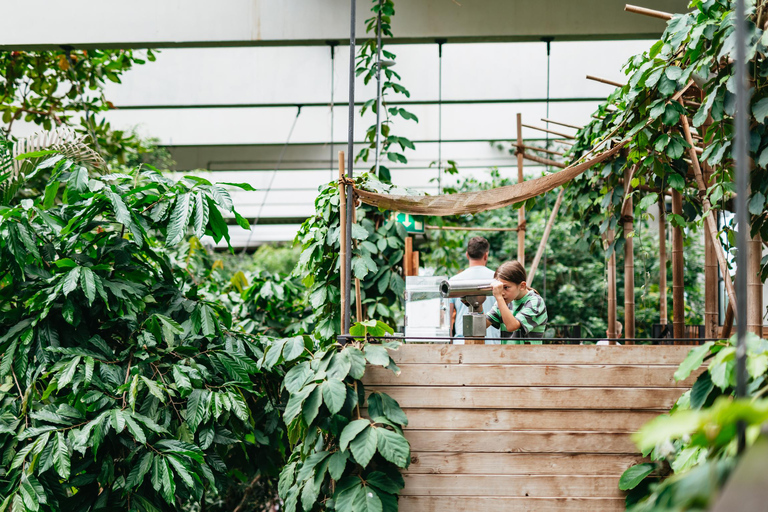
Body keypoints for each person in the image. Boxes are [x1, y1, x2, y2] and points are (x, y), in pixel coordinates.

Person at [449, 236, 501, 344]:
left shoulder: (453, 283)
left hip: (461, 344)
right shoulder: (497, 280)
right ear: (486, 256)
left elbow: (447, 320)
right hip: (492, 344)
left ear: (467, 255)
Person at [486, 261, 547, 344]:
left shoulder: (535, 302)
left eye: (506, 287)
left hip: (529, 356)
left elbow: (512, 326)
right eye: (500, 288)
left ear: (522, 286)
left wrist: (499, 298)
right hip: (507, 355)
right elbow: (480, 327)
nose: (502, 292)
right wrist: (476, 304)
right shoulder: (504, 302)